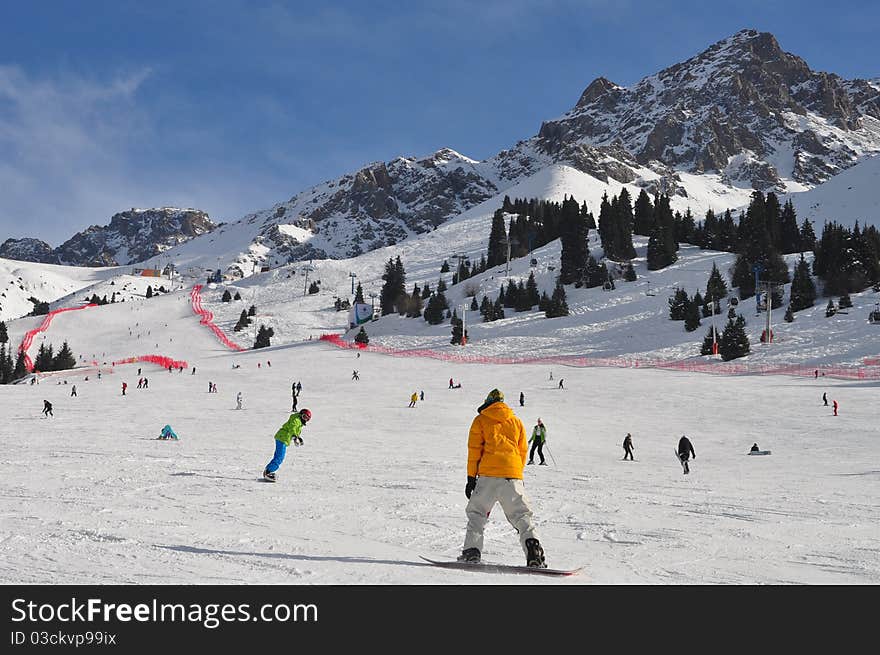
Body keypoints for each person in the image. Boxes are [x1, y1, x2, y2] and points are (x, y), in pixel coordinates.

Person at [458, 389, 546, 568]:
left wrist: (470, 477)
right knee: (521, 515)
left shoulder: (481, 420)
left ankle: (472, 551)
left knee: (477, 513)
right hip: (512, 476)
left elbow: (474, 451)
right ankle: (533, 550)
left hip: (488, 475)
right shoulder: (516, 421)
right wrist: (517, 474)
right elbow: (522, 452)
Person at [263, 408, 312, 482]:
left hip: (283, 438)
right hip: (282, 438)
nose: (305, 419)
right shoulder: (296, 420)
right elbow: (292, 428)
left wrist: (296, 438)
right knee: (280, 457)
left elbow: (294, 430)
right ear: (300, 415)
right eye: (304, 417)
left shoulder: (298, 421)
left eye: (307, 419)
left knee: (278, 456)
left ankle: (268, 471)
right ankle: (268, 472)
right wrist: (297, 436)